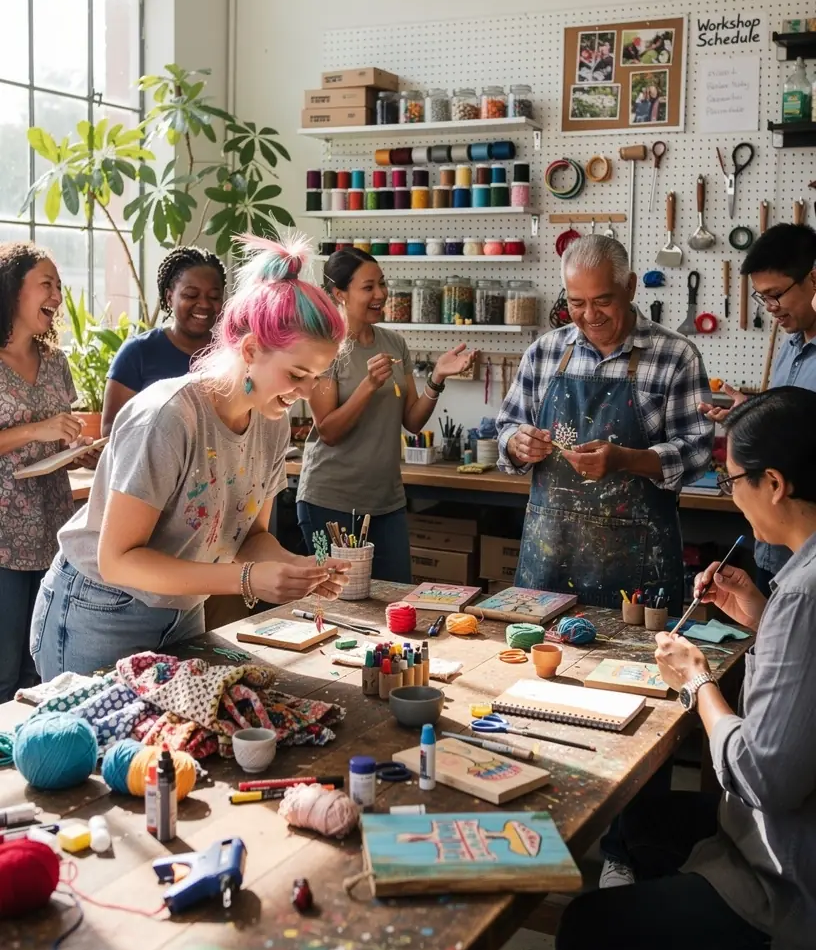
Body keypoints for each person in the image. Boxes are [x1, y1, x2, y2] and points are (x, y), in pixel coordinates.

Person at [556, 386, 816, 950]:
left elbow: (763, 777)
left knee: (588, 932)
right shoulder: (797, 589)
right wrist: (756, 614)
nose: (730, 498)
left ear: (776, 483)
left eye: (732, 484)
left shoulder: (805, 595)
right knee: (647, 823)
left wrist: (697, 681)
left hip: (796, 888)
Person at [30, 235, 349, 681]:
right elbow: (118, 560)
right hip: (101, 610)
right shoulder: (168, 417)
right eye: (296, 374)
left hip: (181, 609)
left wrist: (296, 568)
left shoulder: (270, 420)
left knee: (173, 749)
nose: (304, 393)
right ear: (251, 350)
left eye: (314, 378)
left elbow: (249, 539)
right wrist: (248, 580)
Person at [497, 235, 713, 614]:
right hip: (549, 558)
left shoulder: (676, 356)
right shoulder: (544, 352)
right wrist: (517, 443)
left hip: (638, 568)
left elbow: (696, 453)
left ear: (629, 287)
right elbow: (508, 429)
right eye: (576, 303)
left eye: (603, 300)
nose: (590, 315)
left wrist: (626, 459)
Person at [296, 249, 474, 582]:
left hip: (387, 501)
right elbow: (329, 431)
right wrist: (368, 385)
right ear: (340, 294)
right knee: (338, 600)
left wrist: (436, 378)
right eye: (368, 287)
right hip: (329, 503)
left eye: (382, 284)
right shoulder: (325, 349)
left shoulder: (394, 344)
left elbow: (412, 422)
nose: (381, 294)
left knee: (395, 598)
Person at [0, 243, 96, 701]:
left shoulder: (55, 360)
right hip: (2, 536)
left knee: (41, 670)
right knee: (3, 671)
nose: (57, 295)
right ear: (12, 291)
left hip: (52, 525)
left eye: (58, 285)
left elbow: (58, 434)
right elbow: (36, 430)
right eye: (46, 284)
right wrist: (37, 429)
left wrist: (75, 449)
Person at [700, 223, 816, 592]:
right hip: (775, 546)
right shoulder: (792, 345)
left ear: (814, 279)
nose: (770, 308)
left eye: (776, 294)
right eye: (762, 297)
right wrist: (751, 417)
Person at [102, 246, 227, 436]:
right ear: (169, 297)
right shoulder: (138, 353)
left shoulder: (232, 354)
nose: (204, 304)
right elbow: (111, 430)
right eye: (191, 295)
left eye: (214, 297)